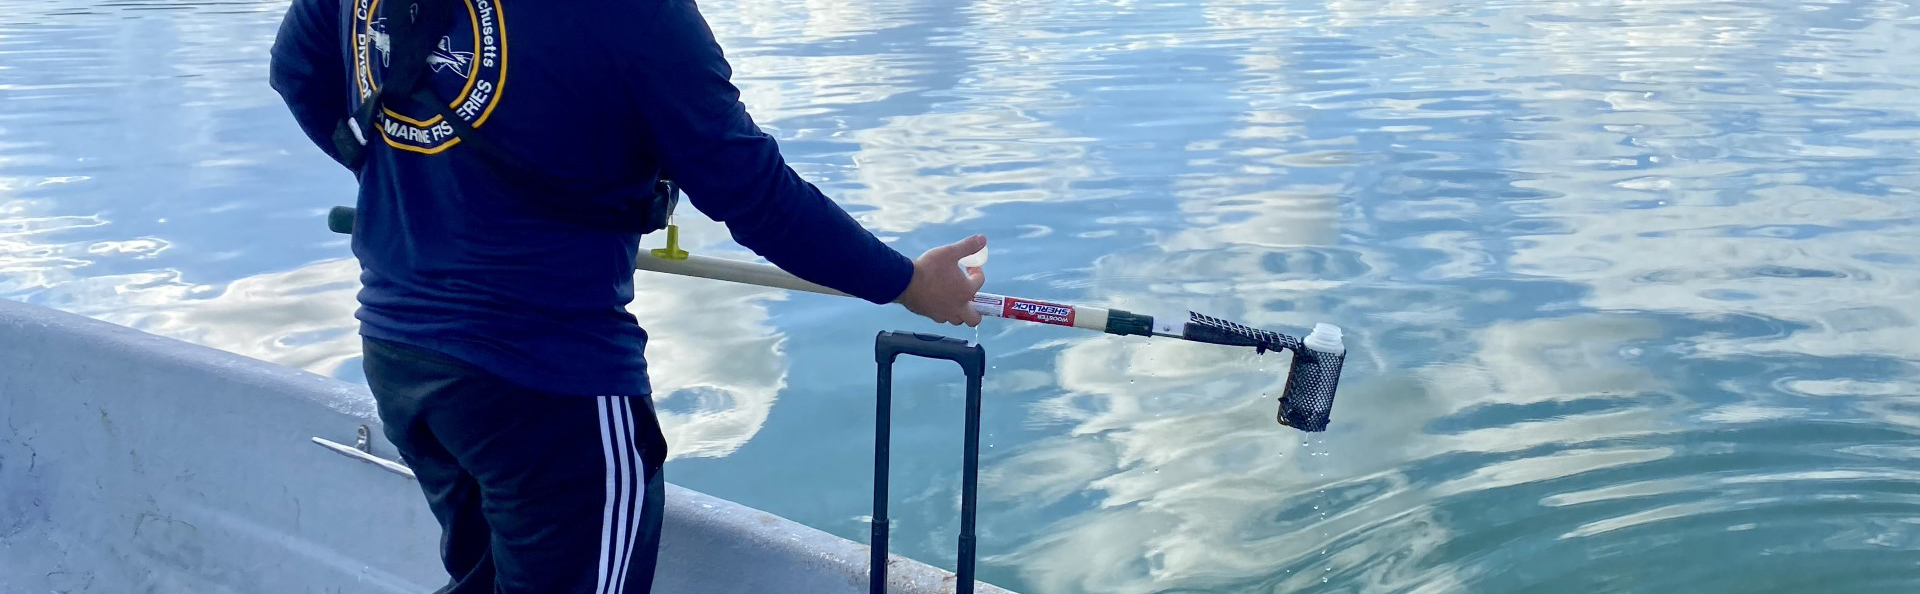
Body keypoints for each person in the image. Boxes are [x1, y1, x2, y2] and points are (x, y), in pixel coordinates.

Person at [267, 0, 987, 590]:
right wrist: (907, 283)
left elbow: (298, 74)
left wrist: (408, 187)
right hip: (546, 387)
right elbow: (755, 195)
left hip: (399, 352)